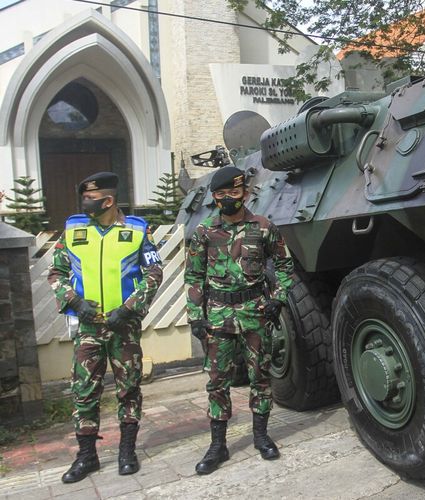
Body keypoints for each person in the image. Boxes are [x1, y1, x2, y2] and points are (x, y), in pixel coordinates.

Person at [48, 172, 163, 483]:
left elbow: (154, 272)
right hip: (88, 327)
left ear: (108, 200)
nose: (84, 202)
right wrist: (74, 301)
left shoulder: (137, 230)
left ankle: (127, 451)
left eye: (90, 198)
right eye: (84, 197)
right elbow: (56, 272)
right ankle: (87, 456)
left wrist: (129, 309)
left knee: (129, 388)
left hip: (123, 327)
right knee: (84, 392)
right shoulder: (73, 229)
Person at [184, 166, 293, 475]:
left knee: (260, 376)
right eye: (221, 194)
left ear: (245, 193)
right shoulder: (205, 232)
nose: (228, 199)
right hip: (218, 316)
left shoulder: (263, 227)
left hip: (255, 312)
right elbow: (192, 276)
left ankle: (261, 436)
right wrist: (195, 316)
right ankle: (218, 446)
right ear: (214, 197)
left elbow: (285, 263)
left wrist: (278, 298)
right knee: (218, 381)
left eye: (234, 193)